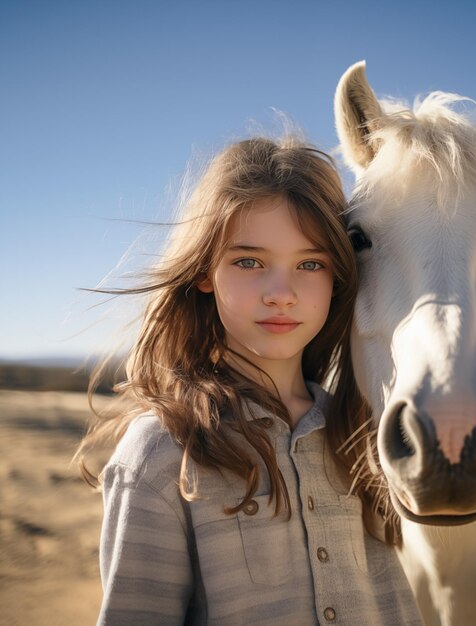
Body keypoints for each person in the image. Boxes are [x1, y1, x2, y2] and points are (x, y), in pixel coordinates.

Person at [76, 137, 421, 625]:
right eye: (248, 261)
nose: (281, 294)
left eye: (310, 264)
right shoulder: (161, 454)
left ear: (337, 277)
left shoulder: (360, 434)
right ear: (203, 273)